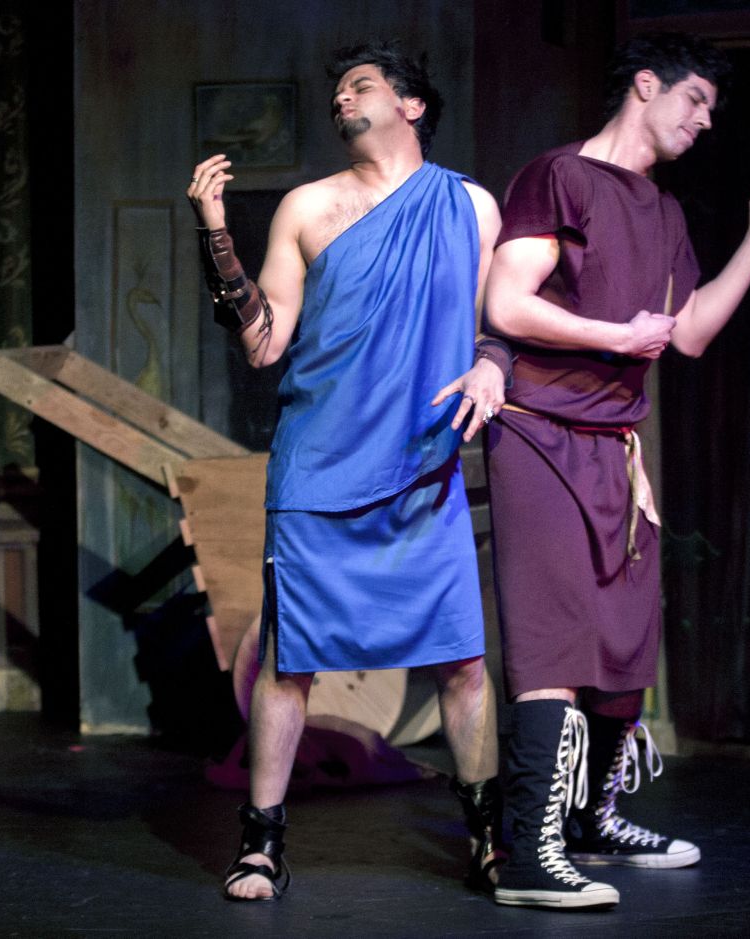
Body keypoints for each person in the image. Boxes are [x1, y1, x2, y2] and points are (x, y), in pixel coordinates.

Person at [186, 40, 510, 902]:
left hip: (422, 470)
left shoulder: (469, 206)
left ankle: (491, 838)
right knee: (290, 661)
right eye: (336, 90)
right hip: (320, 469)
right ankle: (261, 844)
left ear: (411, 105)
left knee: (463, 661)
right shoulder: (309, 207)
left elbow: (496, 322)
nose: (341, 98)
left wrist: (493, 367)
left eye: (360, 85)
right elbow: (263, 343)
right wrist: (215, 232)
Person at [483, 33, 750, 909]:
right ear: (647, 86)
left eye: (712, 111)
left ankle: (591, 819)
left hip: (615, 446)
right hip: (539, 431)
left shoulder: (663, 211)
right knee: (552, 638)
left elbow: (687, 332)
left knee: (624, 638)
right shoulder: (560, 176)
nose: (704, 121)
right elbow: (506, 301)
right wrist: (615, 337)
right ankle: (527, 852)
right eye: (696, 100)